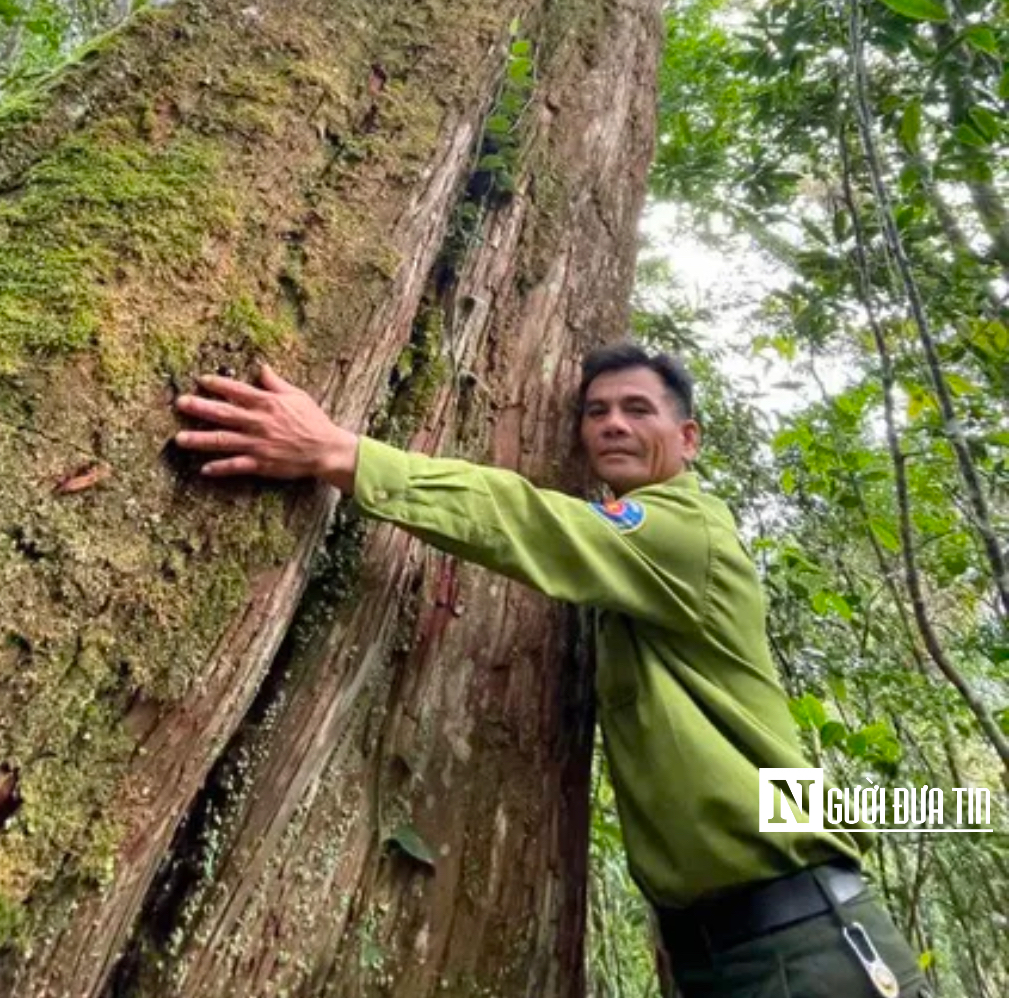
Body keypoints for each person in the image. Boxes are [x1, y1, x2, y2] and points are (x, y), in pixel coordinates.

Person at [174, 341, 926, 998]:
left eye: (639, 409)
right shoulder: (636, 569)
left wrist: (341, 452)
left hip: (805, 943)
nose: (613, 424)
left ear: (688, 437)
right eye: (596, 411)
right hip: (733, 952)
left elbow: (534, 521)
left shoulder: (685, 528)